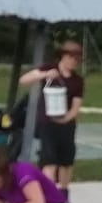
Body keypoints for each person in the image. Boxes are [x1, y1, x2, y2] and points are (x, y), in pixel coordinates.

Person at [18, 40, 84, 190]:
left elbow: (76, 106)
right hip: (47, 123)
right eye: (71, 58)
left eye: (77, 59)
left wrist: (65, 119)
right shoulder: (49, 68)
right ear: (63, 56)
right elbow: (24, 80)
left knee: (67, 161)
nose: (74, 62)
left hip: (67, 125)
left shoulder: (77, 81)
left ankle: (64, 191)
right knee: (49, 160)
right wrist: (45, 74)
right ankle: (50, 191)